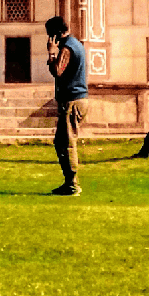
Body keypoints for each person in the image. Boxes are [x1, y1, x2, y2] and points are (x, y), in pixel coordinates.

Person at [44, 15, 87, 196]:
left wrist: (52, 53)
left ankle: (72, 184)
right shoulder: (76, 44)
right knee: (61, 142)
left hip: (72, 101)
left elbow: (58, 72)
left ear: (56, 34)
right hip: (77, 99)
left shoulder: (68, 47)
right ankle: (69, 181)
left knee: (67, 143)